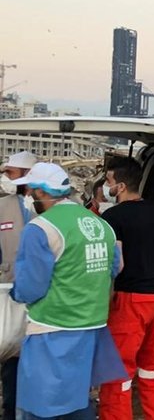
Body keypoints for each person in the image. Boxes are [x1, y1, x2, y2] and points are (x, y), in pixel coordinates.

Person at [11, 162, 126, 419]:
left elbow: (30, 287)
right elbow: (115, 267)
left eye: (30, 191)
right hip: (91, 327)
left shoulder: (40, 228)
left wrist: (14, 294)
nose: (28, 197)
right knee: (76, 399)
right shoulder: (101, 225)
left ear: (41, 192)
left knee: (38, 406)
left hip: (51, 328)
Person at [98, 158, 154, 420]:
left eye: (108, 182)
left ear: (119, 186)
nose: (106, 186)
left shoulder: (112, 217)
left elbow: (116, 265)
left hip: (131, 299)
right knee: (151, 369)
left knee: (118, 371)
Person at [0, 151, 36, 420]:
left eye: (10, 173)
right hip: (8, 297)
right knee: (11, 363)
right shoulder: (3, 206)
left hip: (42, 302)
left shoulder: (51, 206)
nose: (5, 177)